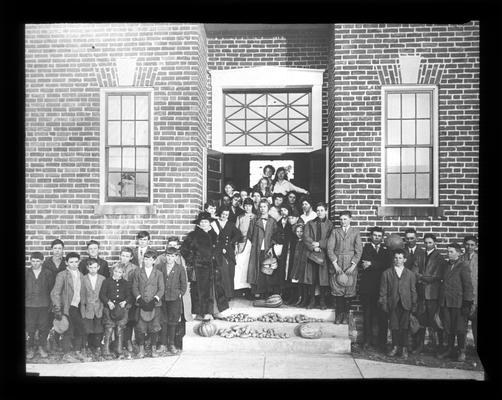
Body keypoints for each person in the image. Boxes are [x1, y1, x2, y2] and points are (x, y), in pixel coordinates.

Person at [180, 211, 227, 320]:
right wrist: (194, 261)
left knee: (215, 288)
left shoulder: (214, 234)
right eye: (202, 222)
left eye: (206, 221)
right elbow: (184, 250)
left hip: (214, 266)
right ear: (199, 223)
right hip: (201, 267)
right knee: (203, 290)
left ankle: (216, 310)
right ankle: (205, 312)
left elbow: (218, 247)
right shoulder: (193, 235)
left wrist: (218, 259)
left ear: (210, 223)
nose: (204, 223)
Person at [50, 252, 90, 362]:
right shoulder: (62, 275)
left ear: (79, 262)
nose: (74, 264)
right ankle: (66, 354)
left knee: (79, 329)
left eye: (76, 262)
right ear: (66, 263)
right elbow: (55, 293)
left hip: (77, 307)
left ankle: (77, 351)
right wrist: (58, 308)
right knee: (68, 330)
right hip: (67, 307)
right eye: (71, 262)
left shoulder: (81, 275)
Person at [411, 233, 447, 355]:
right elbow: (414, 272)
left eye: (430, 242)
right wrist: (421, 277)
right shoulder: (420, 255)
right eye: (425, 242)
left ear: (434, 243)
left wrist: (421, 277)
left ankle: (439, 347)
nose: (427, 245)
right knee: (421, 320)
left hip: (433, 294)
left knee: (435, 321)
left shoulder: (440, 258)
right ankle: (420, 346)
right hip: (421, 293)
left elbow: (436, 276)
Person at [437, 242, 474, 362]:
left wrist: (467, 303)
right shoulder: (446, 265)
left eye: (451, 251)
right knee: (448, 327)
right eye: (447, 251)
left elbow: (468, 286)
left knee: (460, 328)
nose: (448, 254)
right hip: (446, 302)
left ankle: (462, 351)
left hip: (458, 303)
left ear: (458, 253)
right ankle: (449, 349)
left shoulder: (463, 266)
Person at [379, 249, 417, 359]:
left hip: (406, 303)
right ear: (393, 259)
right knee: (394, 326)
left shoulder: (410, 274)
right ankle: (395, 346)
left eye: (400, 258)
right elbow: (383, 291)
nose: (398, 260)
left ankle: (404, 348)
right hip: (393, 304)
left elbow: (413, 290)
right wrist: (384, 304)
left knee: (405, 327)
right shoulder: (386, 273)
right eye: (396, 258)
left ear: (405, 260)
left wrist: (414, 304)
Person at [358, 227, 393, 351]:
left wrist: (372, 264)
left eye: (379, 235)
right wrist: (377, 264)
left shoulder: (386, 249)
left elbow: (388, 264)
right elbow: (364, 264)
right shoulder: (366, 248)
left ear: (382, 237)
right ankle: (367, 341)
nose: (377, 237)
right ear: (371, 236)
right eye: (375, 235)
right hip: (368, 288)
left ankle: (382, 343)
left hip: (382, 289)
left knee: (382, 316)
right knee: (367, 315)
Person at [327, 210, 362, 324]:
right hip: (337, 264)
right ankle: (339, 315)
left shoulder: (355, 232)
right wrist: (335, 265)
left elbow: (359, 251)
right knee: (338, 290)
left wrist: (353, 266)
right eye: (341, 219)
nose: (343, 221)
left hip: (349, 264)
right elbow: (330, 249)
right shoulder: (335, 232)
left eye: (345, 219)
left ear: (350, 219)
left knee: (349, 290)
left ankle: (346, 315)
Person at [131, 249, 165, 358]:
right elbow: (134, 287)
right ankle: (141, 349)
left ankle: (153, 348)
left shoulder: (158, 273)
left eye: (150, 259)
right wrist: (139, 299)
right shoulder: (138, 272)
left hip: (154, 305)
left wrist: (155, 300)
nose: (147, 262)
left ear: (154, 261)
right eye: (146, 259)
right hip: (141, 304)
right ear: (143, 260)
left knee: (154, 327)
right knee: (140, 327)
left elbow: (161, 289)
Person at [246, 199, 279, 299]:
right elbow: (250, 235)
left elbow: (275, 235)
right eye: (261, 207)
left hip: (268, 249)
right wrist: (256, 243)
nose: (262, 209)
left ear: (268, 208)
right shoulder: (255, 220)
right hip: (257, 248)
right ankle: (257, 291)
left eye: (264, 206)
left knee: (268, 269)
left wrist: (271, 246)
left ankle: (268, 291)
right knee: (257, 270)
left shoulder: (272, 221)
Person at [302, 202, 333, 310]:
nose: (319, 212)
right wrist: (313, 247)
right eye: (318, 210)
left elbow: (330, 239)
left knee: (322, 279)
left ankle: (322, 301)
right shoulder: (310, 223)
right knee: (312, 278)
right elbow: (306, 237)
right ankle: (312, 301)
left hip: (323, 254)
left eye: (322, 210)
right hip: (312, 254)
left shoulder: (330, 225)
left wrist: (319, 244)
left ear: (326, 211)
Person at [157, 246, 187, 355]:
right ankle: (163, 344)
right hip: (163, 299)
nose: (170, 258)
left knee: (173, 322)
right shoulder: (160, 267)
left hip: (174, 299)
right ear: (165, 256)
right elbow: (157, 281)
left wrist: (179, 294)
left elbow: (183, 284)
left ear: (176, 257)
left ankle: (172, 344)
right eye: (168, 256)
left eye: (172, 256)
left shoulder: (180, 268)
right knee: (163, 321)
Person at [211, 206, 242, 312]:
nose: (224, 216)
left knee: (229, 272)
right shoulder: (214, 224)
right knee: (221, 272)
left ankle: (229, 295)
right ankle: (221, 296)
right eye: (223, 214)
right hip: (218, 251)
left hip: (228, 251)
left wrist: (231, 243)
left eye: (227, 215)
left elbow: (239, 235)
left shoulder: (230, 224)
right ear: (220, 213)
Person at [26, 251, 55, 359]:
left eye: (38, 261)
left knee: (44, 327)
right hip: (29, 305)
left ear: (42, 261)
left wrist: (51, 303)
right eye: (33, 261)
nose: (35, 263)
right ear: (30, 261)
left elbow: (52, 289)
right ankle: (31, 348)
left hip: (44, 305)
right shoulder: (26, 272)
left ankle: (41, 347)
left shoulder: (48, 273)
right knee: (30, 327)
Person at [99, 264, 133, 357]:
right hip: (109, 308)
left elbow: (129, 296)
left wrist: (125, 302)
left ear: (123, 273)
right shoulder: (106, 282)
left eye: (120, 272)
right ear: (112, 271)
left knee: (119, 329)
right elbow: (102, 295)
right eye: (116, 271)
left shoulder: (125, 283)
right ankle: (106, 350)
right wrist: (108, 302)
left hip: (121, 309)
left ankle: (119, 349)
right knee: (109, 328)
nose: (117, 274)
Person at [110, 246, 138, 352]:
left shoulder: (134, 268)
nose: (124, 258)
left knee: (129, 320)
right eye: (123, 256)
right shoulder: (114, 267)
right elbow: (111, 282)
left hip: (129, 297)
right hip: (117, 298)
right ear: (120, 256)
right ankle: (118, 343)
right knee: (118, 320)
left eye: (127, 256)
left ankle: (128, 341)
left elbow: (135, 284)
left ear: (131, 257)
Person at [79, 258, 106, 356]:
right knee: (87, 328)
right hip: (88, 307)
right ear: (87, 268)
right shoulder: (83, 278)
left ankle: (97, 346)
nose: (93, 270)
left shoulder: (102, 279)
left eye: (95, 267)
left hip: (99, 307)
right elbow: (82, 294)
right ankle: (84, 347)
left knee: (98, 328)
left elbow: (104, 293)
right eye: (91, 267)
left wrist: (102, 306)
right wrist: (83, 308)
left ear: (98, 267)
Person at [234, 197, 256, 295]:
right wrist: (235, 244)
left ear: (252, 206)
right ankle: (240, 289)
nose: (247, 208)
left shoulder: (255, 217)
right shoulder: (240, 217)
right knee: (240, 265)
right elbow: (235, 232)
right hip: (241, 243)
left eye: (249, 206)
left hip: (251, 243)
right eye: (246, 206)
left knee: (249, 266)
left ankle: (250, 290)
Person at [461, 235, 478, 351]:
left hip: (476, 296)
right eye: (467, 244)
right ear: (464, 245)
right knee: (462, 325)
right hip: (463, 298)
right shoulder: (461, 259)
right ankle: (462, 350)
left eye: (472, 245)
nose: (469, 247)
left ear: (476, 246)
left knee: (476, 326)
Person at [287, 223, 308, 306]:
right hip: (296, 263)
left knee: (303, 282)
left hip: (303, 263)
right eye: (297, 231)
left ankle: (304, 299)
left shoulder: (305, 242)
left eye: (301, 231)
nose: (299, 233)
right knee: (296, 281)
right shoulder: (296, 241)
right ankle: (297, 298)